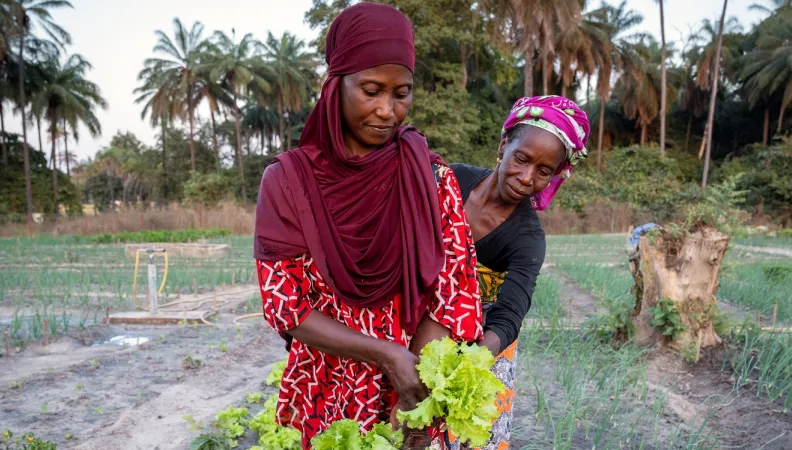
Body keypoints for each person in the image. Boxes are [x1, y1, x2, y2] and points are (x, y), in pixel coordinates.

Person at [253, 3, 482, 448]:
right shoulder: (288, 181)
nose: (387, 111)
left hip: (414, 382)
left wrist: (413, 390)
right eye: (371, 90)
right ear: (335, 85)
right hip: (324, 386)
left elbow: (454, 291)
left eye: (401, 93)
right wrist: (385, 354)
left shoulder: (431, 177)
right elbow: (285, 304)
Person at [449, 95, 591, 449]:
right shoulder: (453, 179)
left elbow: (509, 315)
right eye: (522, 159)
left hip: (482, 347)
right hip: (417, 331)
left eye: (543, 171)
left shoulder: (527, 238)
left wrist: (469, 365)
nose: (527, 178)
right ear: (504, 145)